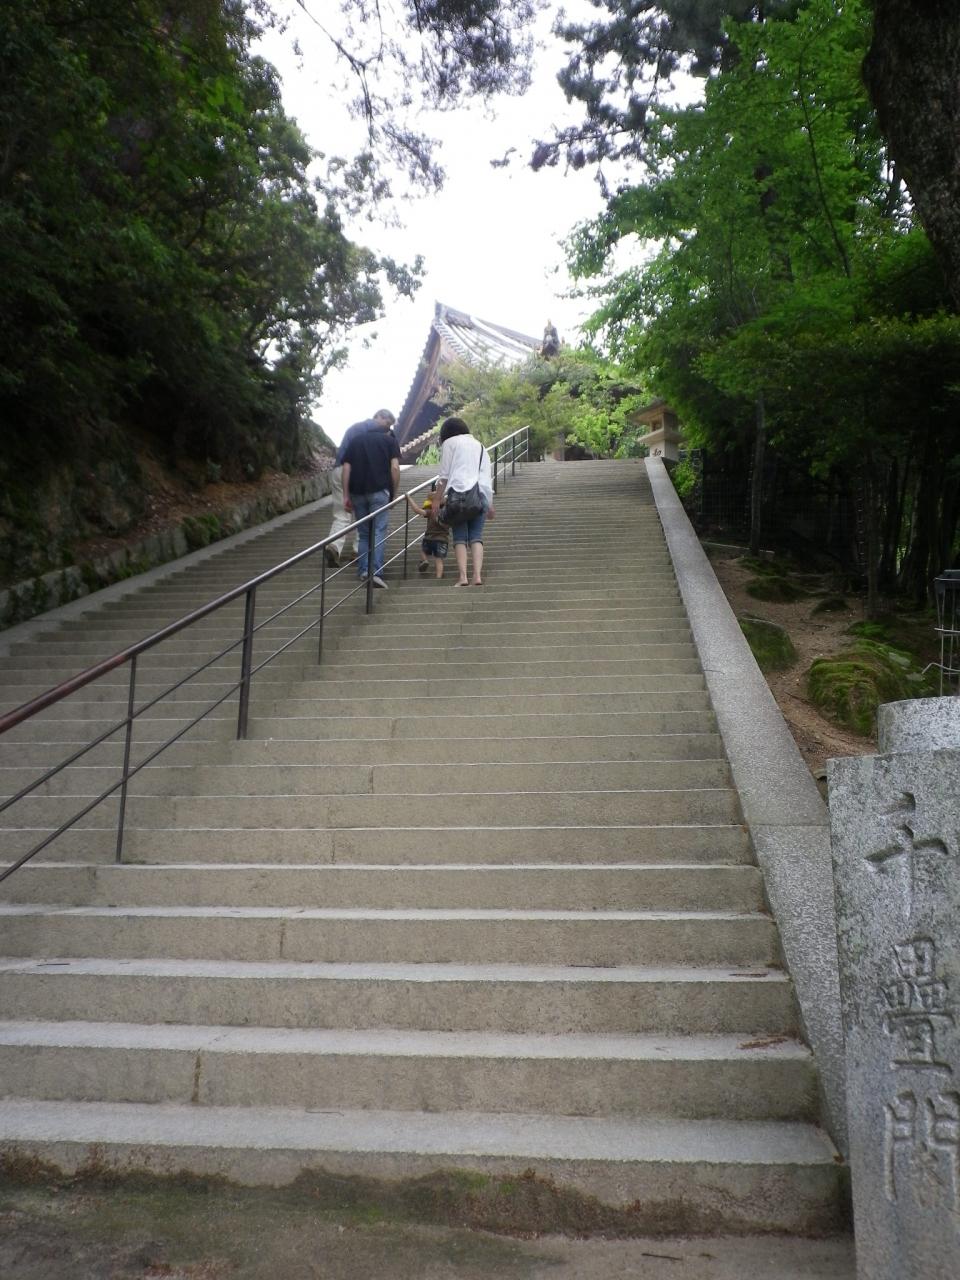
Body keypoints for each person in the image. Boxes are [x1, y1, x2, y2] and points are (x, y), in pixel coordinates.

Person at [325, 409, 395, 567]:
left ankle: (334, 546)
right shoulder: (373, 432)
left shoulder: (354, 427)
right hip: (355, 472)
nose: (388, 428)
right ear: (379, 416)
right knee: (363, 511)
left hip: (338, 470)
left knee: (341, 514)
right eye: (387, 423)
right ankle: (357, 551)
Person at [341, 409, 401, 588]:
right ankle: (375, 572)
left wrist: (346, 495)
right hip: (380, 491)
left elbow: (346, 468)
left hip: (357, 493)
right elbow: (395, 468)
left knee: (364, 533)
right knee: (379, 530)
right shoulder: (390, 441)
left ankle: (363, 571)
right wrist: (394, 493)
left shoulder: (356, 440)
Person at [432, 416, 494, 587]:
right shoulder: (481, 446)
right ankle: (477, 576)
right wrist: (490, 504)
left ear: (446, 432)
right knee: (476, 537)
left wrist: (437, 499)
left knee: (460, 537)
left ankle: (463, 577)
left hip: (458, 496)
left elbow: (444, 475)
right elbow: (486, 478)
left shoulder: (449, 443)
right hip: (480, 496)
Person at [405, 484, 450, 578]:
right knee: (439, 560)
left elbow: (417, 510)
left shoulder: (431, 511)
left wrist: (409, 498)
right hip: (442, 540)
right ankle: (438, 577)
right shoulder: (447, 513)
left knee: (423, 551)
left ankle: (425, 560)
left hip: (429, 538)